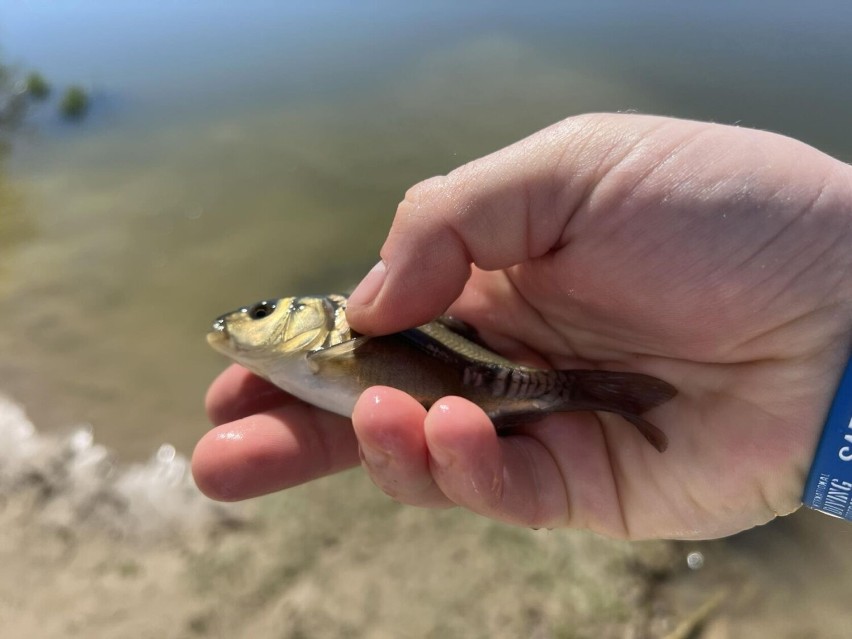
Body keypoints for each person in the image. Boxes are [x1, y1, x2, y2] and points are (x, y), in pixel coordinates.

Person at [192, 113, 852, 540]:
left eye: (259, 314)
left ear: (313, 321)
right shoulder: (313, 358)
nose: (240, 324)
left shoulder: (342, 329)